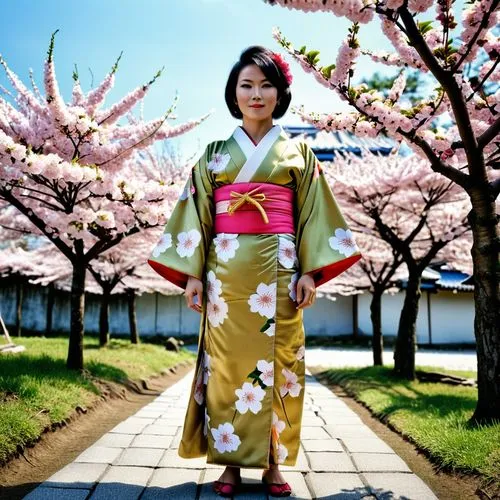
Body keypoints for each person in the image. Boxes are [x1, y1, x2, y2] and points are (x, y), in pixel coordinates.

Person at [148, 45, 361, 498]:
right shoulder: (213, 155)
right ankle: (229, 464)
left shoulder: (298, 153)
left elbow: (313, 217)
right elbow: (197, 217)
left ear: (279, 93)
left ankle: (272, 463)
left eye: (266, 85)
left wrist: (311, 273)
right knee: (226, 368)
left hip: (282, 277)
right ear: (234, 93)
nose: (256, 94)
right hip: (225, 279)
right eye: (246, 85)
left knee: (280, 365)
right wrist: (191, 275)